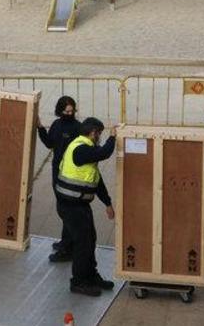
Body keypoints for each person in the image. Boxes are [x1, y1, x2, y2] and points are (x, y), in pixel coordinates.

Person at [55, 117, 117, 297]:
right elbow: (105, 153)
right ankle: (79, 282)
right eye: (99, 133)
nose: (99, 137)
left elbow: (96, 180)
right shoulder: (80, 149)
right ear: (93, 132)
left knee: (90, 240)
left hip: (80, 205)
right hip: (70, 206)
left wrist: (107, 203)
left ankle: (91, 276)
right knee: (82, 244)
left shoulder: (87, 150)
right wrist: (113, 137)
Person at [37, 96, 81, 262]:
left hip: (70, 174)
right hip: (57, 170)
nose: (69, 113)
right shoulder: (56, 125)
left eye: (71, 111)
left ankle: (67, 246)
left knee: (66, 209)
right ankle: (66, 241)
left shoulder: (78, 128)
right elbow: (49, 143)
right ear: (60, 110)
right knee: (62, 207)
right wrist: (40, 127)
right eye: (66, 111)